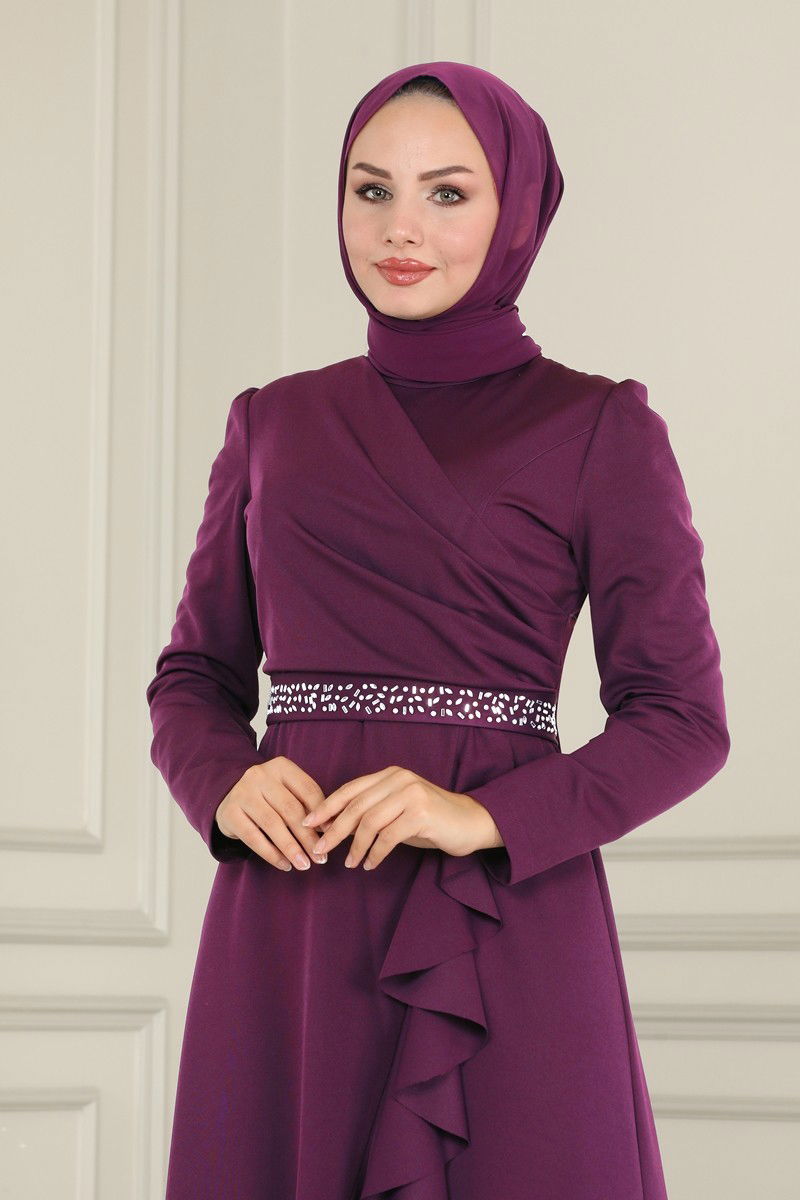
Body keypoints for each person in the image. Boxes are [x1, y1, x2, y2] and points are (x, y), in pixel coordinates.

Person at [145, 60, 730, 1200]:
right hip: (292, 910)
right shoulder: (272, 421)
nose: (399, 229)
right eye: (371, 191)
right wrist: (221, 782)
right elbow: (194, 675)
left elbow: (681, 720)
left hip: (498, 912)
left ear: (517, 213)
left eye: (447, 193)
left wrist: (479, 815)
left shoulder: (599, 425)